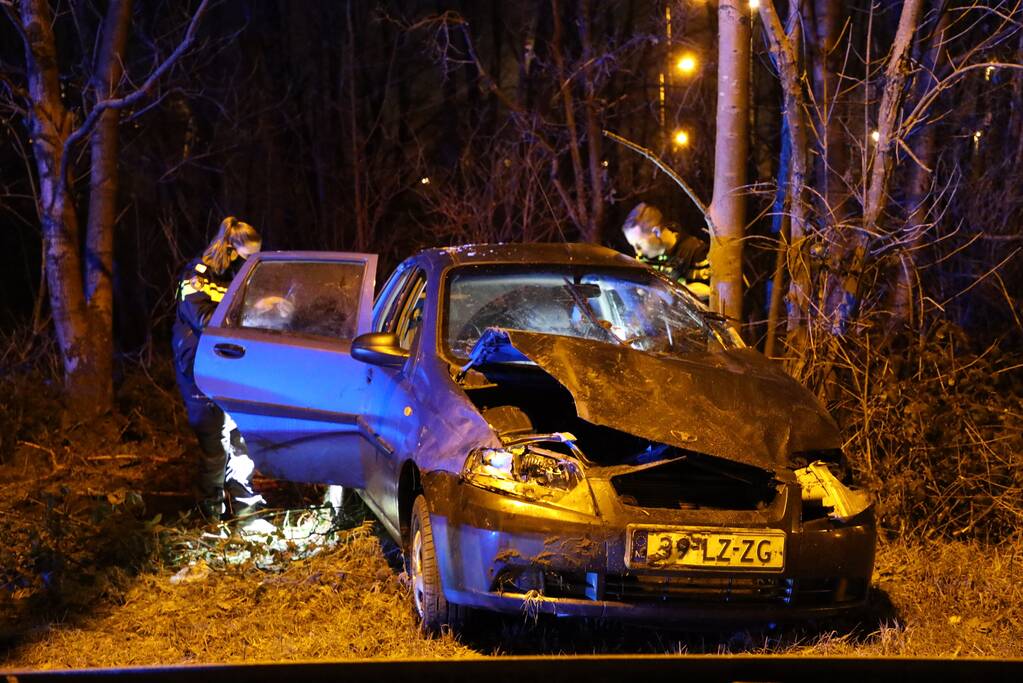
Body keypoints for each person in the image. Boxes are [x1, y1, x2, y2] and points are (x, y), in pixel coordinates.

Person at [171, 216, 269, 526]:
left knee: (240, 439)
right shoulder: (196, 276)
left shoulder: (237, 275)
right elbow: (204, 319)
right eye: (248, 256)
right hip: (198, 367)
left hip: (232, 366)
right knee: (214, 445)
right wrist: (251, 311)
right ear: (231, 249)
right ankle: (210, 515)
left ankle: (247, 512)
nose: (251, 263)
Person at [621, 202, 711, 301]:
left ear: (656, 232)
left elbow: (708, 291)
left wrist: (668, 290)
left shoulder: (696, 251)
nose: (637, 252)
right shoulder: (645, 257)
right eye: (633, 246)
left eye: (639, 244)